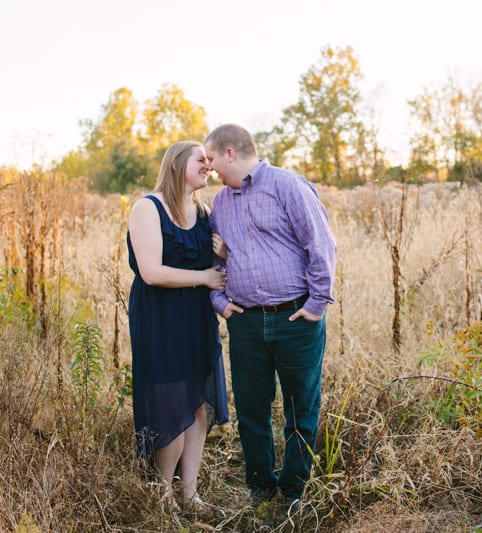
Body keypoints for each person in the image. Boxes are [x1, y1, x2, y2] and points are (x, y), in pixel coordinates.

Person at [204, 124, 336, 506]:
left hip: (294, 317)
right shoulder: (221, 205)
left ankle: (293, 490)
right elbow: (216, 260)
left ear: (231, 153)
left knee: (301, 408)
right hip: (245, 321)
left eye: (211, 159)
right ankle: (260, 488)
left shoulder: (286, 185)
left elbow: (321, 244)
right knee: (251, 408)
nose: (209, 168)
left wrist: (315, 305)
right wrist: (220, 303)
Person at [126, 140, 229, 508]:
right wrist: (203, 277)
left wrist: (222, 254)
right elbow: (152, 272)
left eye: (210, 161)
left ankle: (190, 492)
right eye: (201, 159)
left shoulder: (202, 211)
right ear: (175, 164)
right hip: (159, 316)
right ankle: (164, 494)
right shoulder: (147, 208)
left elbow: (223, 263)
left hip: (196, 315)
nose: (209, 166)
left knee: (197, 402)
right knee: (170, 400)